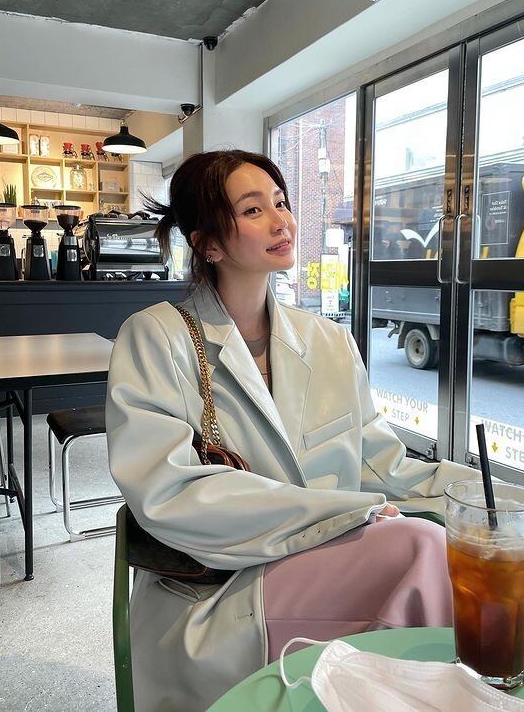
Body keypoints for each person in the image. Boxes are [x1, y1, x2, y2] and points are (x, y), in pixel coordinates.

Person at [106, 151, 487, 711]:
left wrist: (488, 503)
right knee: (420, 548)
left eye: (280, 203)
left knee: (454, 561)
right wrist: (344, 514)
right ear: (208, 244)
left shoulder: (328, 340)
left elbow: (384, 465)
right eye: (252, 209)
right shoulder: (156, 337)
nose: (280, 220)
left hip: (328, 565)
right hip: (221, 593)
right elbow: (169, 494)